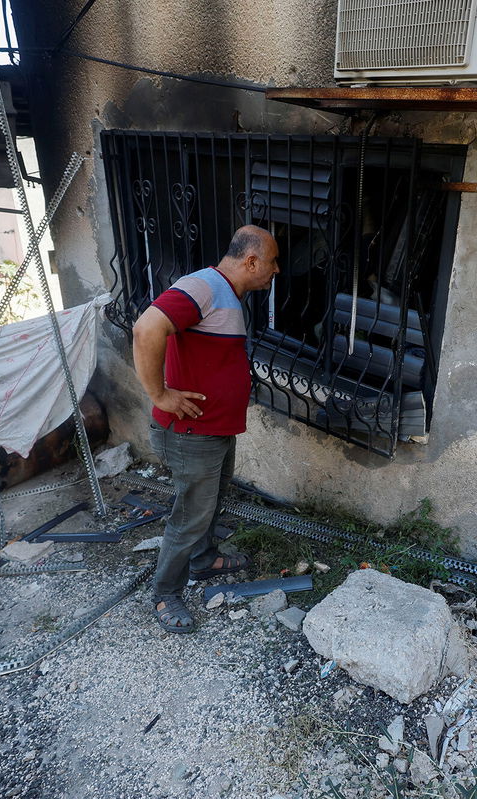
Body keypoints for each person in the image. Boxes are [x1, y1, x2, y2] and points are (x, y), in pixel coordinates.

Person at [132, 225, 280, 633]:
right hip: (190, 433)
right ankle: (165, 592)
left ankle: (203, 560)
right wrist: (159, 394)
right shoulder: (203, 286)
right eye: (272, 262)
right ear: (251, 261)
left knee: (210, 503)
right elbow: (146, 329)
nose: (276, 270)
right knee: (190, 516)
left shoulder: (224, 293)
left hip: (213, 428)